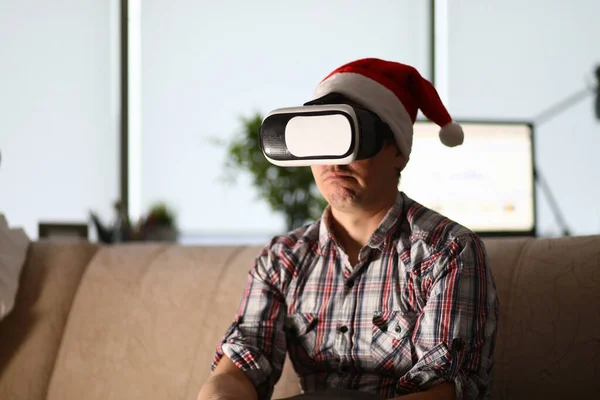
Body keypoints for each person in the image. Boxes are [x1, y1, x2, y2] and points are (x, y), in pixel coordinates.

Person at [197, 58, 499, 400]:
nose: (335, 162)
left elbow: (447, 390)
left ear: (398, 152)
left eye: (351, 140)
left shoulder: (448, 251)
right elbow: (242, 362)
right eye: (321, 141)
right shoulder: (282, 259)